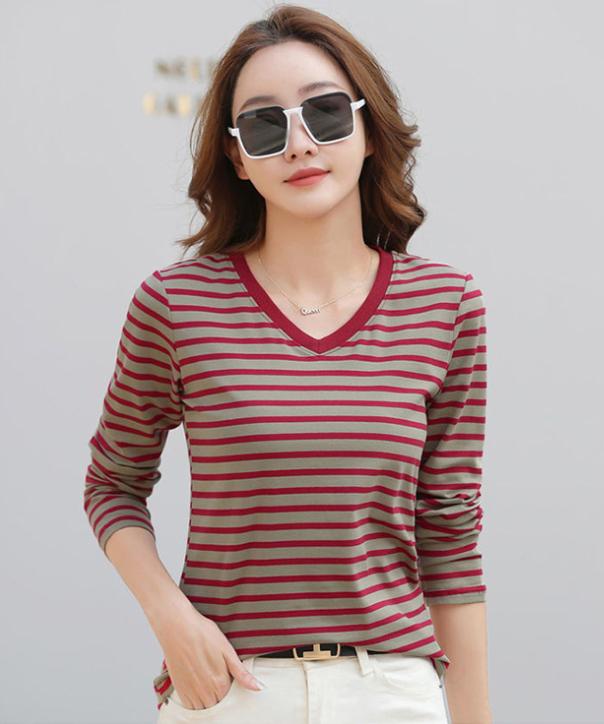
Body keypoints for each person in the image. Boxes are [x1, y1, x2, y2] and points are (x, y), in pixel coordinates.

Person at [83, 5, 492, 723]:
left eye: (326, 114)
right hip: (231, 692)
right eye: (265, 126)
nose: (300, 144)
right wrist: (172, 619)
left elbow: (450, 533)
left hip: (391, 696)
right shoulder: (176, 304)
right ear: (238, 157)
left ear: (369, 131)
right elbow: (112, 484)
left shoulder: (444, 304)